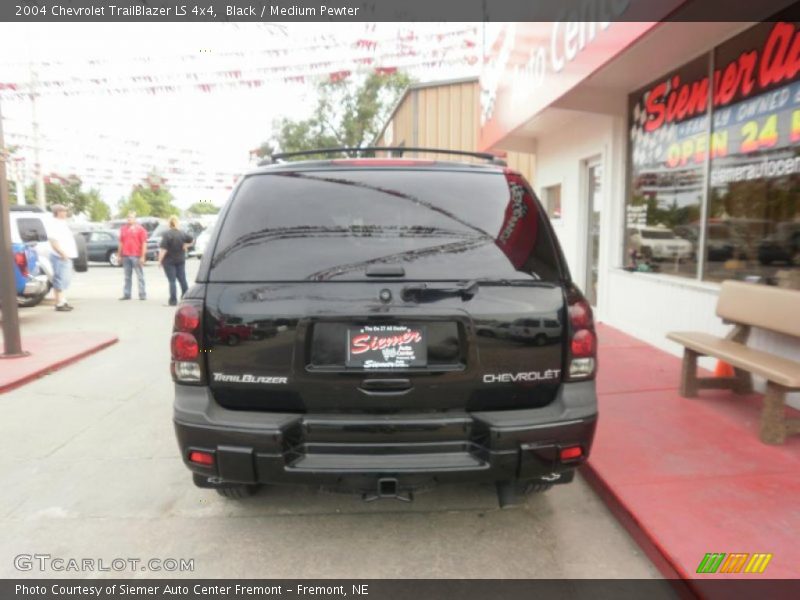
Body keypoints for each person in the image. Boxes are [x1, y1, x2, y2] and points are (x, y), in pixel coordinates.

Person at [47, 204, 78, 312]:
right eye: (64, 211)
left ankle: (63, 301)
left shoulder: (62, 223)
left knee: (65, 280)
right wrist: (61, 253)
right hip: (59, 256)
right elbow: (53, 241)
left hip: (66, 256)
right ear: (58, 212)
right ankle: (59, 303)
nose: (66, 212)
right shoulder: (54, 224)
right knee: (60, 279)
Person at [158, 216, 193, 306]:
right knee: (182, 279)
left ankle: (173, 301)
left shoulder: (167, 234)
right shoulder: (182, 233)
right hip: (180, 259)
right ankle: (186, 298)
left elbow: (163, 249)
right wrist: (186, 245)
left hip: (169, 261)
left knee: (172, 281)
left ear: (169, 224)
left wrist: (160, 260)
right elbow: (192, 240)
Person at [118, 211, 148, 300]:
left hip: (136, 256)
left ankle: (142, 294)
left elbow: (144, 243)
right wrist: (119, 255)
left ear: (135, 219)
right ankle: (127, 294)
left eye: (131, 217)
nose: (129, 219)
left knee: (140, 276)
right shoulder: (123, 229)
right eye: (128, 217)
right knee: (127, 276)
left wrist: (143, 256)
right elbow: (121, 242)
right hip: (126, 256)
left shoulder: (141, 229)